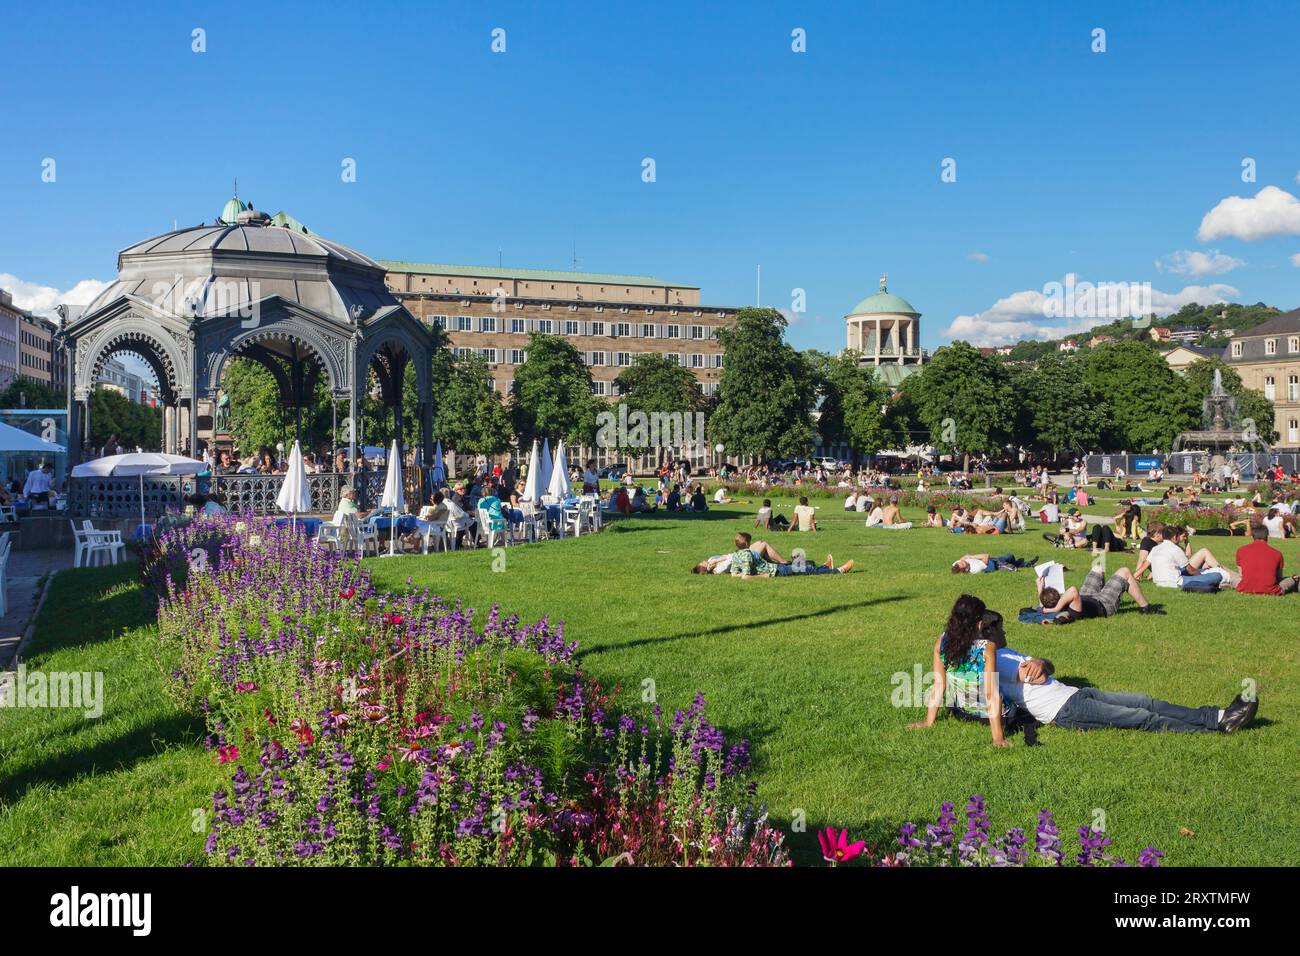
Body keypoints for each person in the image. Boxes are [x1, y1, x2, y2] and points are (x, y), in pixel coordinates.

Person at [993, 647, 1257, 736]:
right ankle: (1211, 730)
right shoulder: (995, 662)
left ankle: (1219, 716)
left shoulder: (1007, 652)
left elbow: (1045, 668)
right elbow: (1034, 678)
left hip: (1075, 693)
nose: (1002, 631)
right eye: (998, 627)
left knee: (1145, 701)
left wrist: (1040, 662)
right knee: (1143, 717)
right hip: (1065, 711)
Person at [906, 595, 1015, 747]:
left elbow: (938, 685)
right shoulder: (987, 648)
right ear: (979, 624)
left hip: (962, 712)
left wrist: (928, 722)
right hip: (994, 716)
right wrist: (998, 738)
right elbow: (991, 693)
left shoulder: (942, 642)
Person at [1036, 566, 1163, 621]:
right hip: (1103, 604)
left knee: (1097, 568)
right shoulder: (1072, 609)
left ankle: (1105, 588)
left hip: (1087, 596)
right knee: (1124, 571)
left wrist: (1040, 588)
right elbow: (1073, 590)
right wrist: (1057, 607)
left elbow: (1042, 605)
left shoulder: (1047, 607)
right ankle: (1146, 607)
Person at [1148, 525, 1234, 591]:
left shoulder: (1155, 548)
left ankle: (1213, 578)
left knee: (1204, 571)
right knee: (1216, 576)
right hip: (1174, 582)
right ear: (1175, 537)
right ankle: (1219, 579)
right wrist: (1201, 577)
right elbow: (1191, 570)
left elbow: (1146, 562)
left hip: (1158, 582)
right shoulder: (1175, 549)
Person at [727, 532, 852, 577]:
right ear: (748, 543)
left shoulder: (736, 555)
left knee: (806, 568)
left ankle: (826, 567)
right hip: (776, 571)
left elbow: (734, 574)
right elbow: (746, 576)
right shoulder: (747, 555)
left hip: (774, 568)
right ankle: (838, 570)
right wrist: (765, 576)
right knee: (807, 569)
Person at [1235, 524, 1300, 596]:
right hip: (1271, 591)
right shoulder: (1277, 553)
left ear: (1252, 537)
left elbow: (1241, 574)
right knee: (1291, 579)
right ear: (1267, 537)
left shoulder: (1240, 550)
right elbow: (1279, 577)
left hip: (1244, 588)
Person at [951, 552, 1035, 574]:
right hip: (996, 564)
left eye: (960, 562)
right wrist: (972, 557)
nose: (962, 561)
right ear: (964, 569)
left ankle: (1021, 563)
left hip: (994, 559)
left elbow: (963, 557)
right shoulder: (975, 569)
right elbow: (986, 556)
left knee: (1010, 556)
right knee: (1013, 568)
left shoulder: (956, 564)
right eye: (962, 564)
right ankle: (1025, 564)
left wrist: (966, 557)